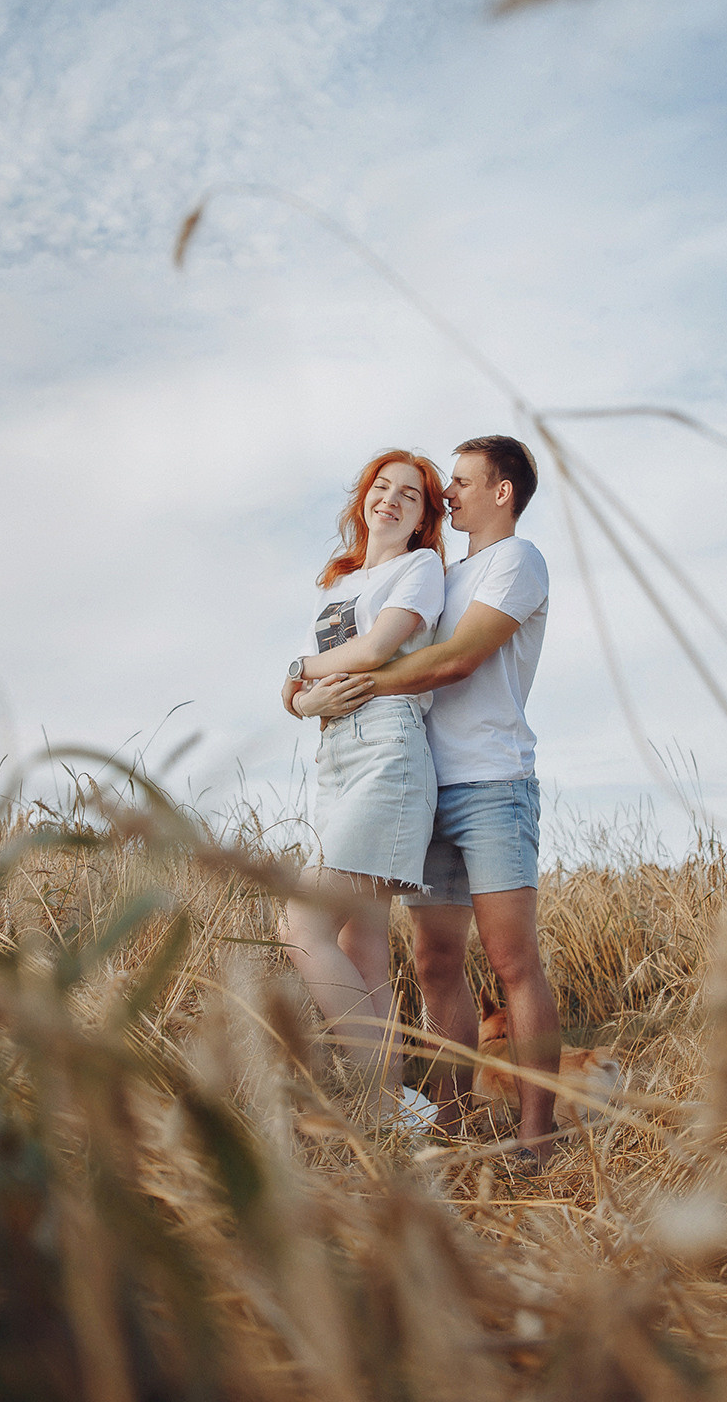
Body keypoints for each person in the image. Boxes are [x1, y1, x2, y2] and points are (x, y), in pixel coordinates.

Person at [305, 436, 559, 1166]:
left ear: (502, 492)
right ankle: (450, 1125)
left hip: (493, 782)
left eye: (462, 481)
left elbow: (458, 659)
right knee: (434, 962)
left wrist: (351, 687)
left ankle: (536, 1136)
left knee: (512, 960)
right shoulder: (442, 575)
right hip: (426, 784)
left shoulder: (517, 561)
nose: (449, 494)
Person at [280, 449, 451, 1130]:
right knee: (362, 942)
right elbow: (297, 695)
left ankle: (379, 1101)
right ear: (364, 499)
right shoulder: (339, 584)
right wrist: (304, 699)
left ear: (423, 518)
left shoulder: (420, 568)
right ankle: (392, 1113)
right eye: (382, 487)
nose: (391, 500)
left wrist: (299, 671)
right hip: (335, 754)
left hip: (387, 747)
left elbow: (377, 650)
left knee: (301, 926)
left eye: (410, 495)